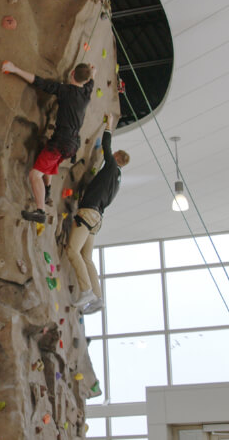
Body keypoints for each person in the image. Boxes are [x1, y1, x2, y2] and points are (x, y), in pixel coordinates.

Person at [2, 60, 95, 223]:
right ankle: (48, 192)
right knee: (49, 164)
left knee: (34, 174)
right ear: (86, 81)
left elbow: (39, 82)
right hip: (72, 146)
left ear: (72, 73)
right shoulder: (86, 94)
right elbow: (92, 79)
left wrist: (15, 69)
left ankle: (40, 211)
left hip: (60, 142)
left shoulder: (64, 90)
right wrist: (91, 73)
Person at [67, 114, 129, 313]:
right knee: (87, 257)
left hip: (88, 214)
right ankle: (98, 298)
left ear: (117, 158)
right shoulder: (117, 181)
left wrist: (109, 125)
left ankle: (86, 290)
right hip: (97, 219)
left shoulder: (112, 167)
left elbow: (106, 148)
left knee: (72, 251)